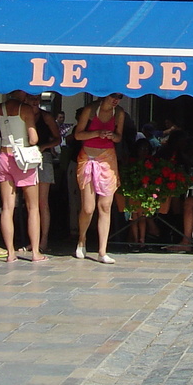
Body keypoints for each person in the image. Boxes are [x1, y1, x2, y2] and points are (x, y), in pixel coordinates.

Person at [0, 90, 45, 263]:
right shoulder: (25, 109)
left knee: (7, 208)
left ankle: (10, 253)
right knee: (33, 207)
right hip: (23, 159)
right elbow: (34, 138)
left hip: (4, 156)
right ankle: (35, 252)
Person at [74, 92, 125, 264]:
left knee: (105, 206)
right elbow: (78, 135)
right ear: (105, 95)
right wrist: (97, 133)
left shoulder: (119, 113)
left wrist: (112, 136)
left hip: (107, 158)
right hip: (87, 157)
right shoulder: (90, 110)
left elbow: (119, 137)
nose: (116, 100)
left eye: (119, 97)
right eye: (113, 96)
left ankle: (102, 250)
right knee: (88, 208)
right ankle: (82, 239)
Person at [26, 93, 61, 253]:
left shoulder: (45, 117)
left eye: (37, 98)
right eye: (32, 98)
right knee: (29, 203)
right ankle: (32, 240)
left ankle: (44, 239)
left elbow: (57, 138)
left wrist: (45, 146)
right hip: (25, 158)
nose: (35, 101)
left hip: (42, 158)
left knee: (42, 202)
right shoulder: (22, 114)